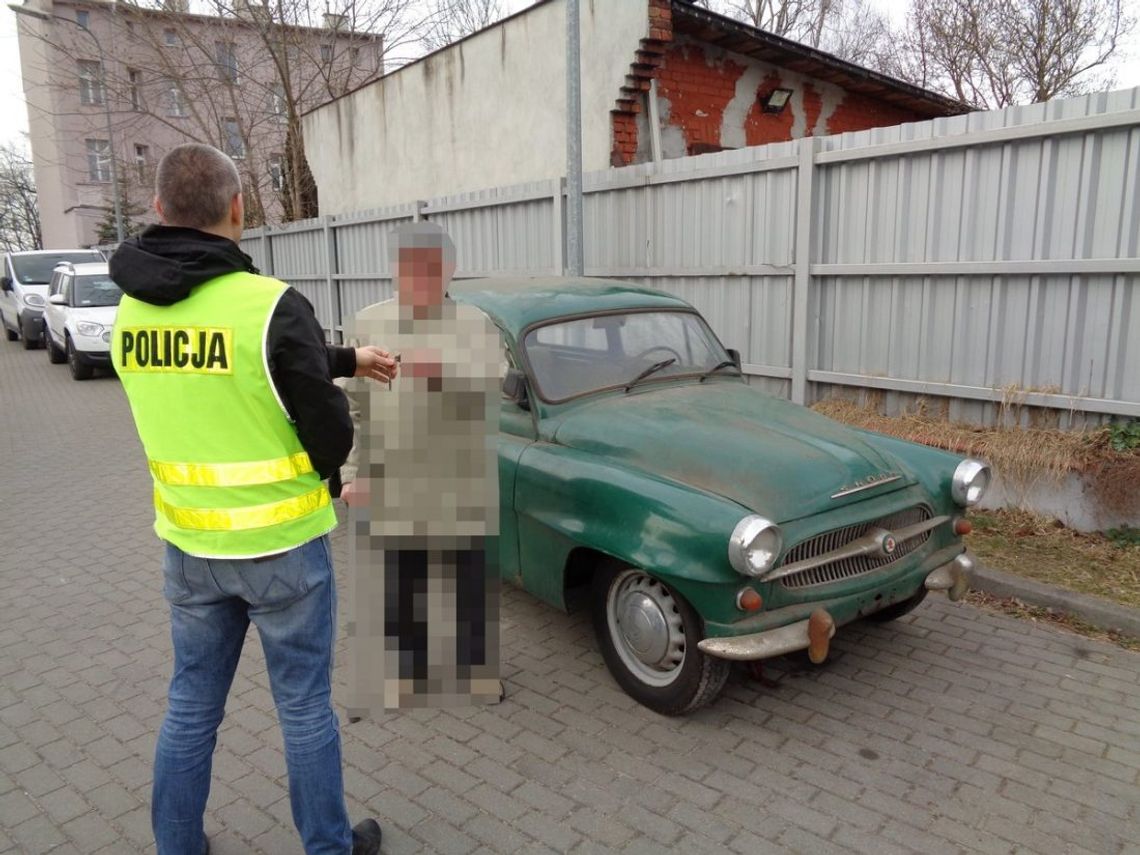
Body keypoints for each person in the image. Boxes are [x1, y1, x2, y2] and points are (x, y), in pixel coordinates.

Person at [109, 143, 395, 855]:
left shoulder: (131, 314)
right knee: (302, 708)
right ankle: (328, 846)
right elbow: (322, 421)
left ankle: (177, 845)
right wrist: (330, 477)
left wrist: (348, 356)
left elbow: (245, 366)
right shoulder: (270, 304)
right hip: (284, 553)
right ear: (238, 209)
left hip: (188, 549)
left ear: (159, 209)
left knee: (189, 706)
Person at [340, 222, 502, 711]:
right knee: (403, 581)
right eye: (409, 266)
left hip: (461, 477)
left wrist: (445, 374)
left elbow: (496, 387)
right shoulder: (368, 322)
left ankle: (475, 672)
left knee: (468, 579)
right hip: (394, 477)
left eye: (431, 268)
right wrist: (352, 474)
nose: (419, 278)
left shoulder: (475, 323)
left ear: (448, 272)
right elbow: (353, 408)